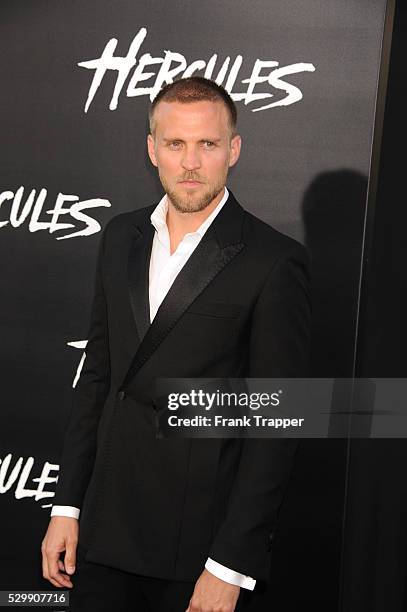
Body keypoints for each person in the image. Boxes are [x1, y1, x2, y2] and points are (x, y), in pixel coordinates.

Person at [41, 76, 311, 611]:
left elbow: (276, 425)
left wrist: (229, 566)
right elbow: (98, 376)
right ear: (152, 150)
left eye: (207, 144)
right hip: (104, 529)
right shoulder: (120, 237)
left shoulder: (273, 260)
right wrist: (67, 507)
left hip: (197, 548)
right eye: (175, 144)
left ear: (233, 150)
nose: (191, 162)